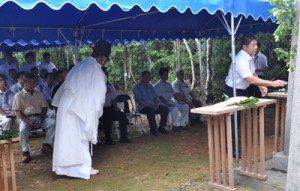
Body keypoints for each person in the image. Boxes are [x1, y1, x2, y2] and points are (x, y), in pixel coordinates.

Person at [52, 40, 111, 179]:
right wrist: (96, 113)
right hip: (77, 108)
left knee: (67, 138)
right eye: (105, 59)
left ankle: (65, 169)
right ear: (102, 57)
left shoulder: (80, 65)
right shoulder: (95, 70)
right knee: (81, 137)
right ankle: (82, 169)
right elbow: (99, 96)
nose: (105, 62)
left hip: (67, 106)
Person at [223, 34, 287, 157]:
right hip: (232, 91)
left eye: (256, 45)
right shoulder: (240, 59)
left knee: (238, 120)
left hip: (242, 91)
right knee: (232, 121)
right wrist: (272, 83)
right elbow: (250, 79)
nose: (256, 47)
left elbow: (253, 74)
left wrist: (261, 86)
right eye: (253, 45)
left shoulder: (249, 57)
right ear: (244, 46)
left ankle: (234, 146)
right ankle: (232, 149)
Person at [12, 73, 56, 163]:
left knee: (53, 123)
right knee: (23, 130)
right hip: (26, 118)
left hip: (38, 117)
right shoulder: (19, 95)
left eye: (34, 82)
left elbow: (44, 107)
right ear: (24, 83)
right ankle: (25, 152)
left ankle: (46, 144)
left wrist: (41, 118)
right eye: (30, 82)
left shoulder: (38, 94)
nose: (33, 84)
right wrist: (27, 120)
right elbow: (17, 111)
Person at [100, 67, 130, 144]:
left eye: (106, 74)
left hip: (110, 108)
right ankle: (108, 138)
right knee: (107, 116)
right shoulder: (95, 86)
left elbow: (114, 98)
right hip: (100, 109)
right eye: (104, 74)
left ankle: (123, 137)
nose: (106, 76)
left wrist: (117, 107)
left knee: (122, 115)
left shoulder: (109, 85)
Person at [133, 70, 169, 135]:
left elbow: (155, 97)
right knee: (151, 110)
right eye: (147, 77)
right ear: (142, 77)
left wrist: (156, 104)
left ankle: (161, 127)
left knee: (165, 109)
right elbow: (140, 101)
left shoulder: (150, 86)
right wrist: (152, 106)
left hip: (153, 105)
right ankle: (153, 129)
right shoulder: (137, 87)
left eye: (149, 77)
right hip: (143, 107)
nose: (149, 78)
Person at [154, 67, 189, 132]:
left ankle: (182, 124)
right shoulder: (156, 85)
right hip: (162, 103)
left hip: (170, 101)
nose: (167, 75)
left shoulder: (168, 84)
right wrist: (168, 105)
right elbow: (161, 97)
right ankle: (176, 126)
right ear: (161, 75)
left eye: (167, 74)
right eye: (165, 74)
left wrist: (180, 101)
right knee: (174, 108)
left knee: (185, 106)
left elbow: (174, 94)